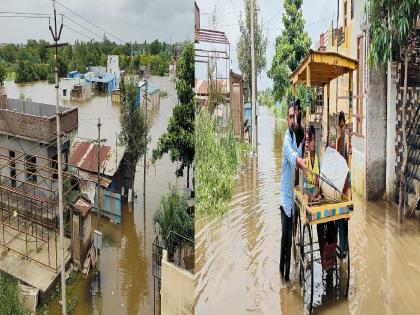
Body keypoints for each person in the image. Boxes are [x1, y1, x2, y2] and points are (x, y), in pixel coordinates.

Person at [280, 103, 307, 282]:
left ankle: (285, 275)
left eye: (294, 117)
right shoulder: (285, 140)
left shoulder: (294, 138)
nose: (292, 120)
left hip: (293, 198)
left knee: (289, 239)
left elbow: (298, 152)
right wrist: (301, 162)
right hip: (285, 200)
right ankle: (284, 276)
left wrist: (305, 144)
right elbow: (292, 156)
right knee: (286, 240)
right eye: (290, 117)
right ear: (287, 119)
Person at [336, 111, 350, 258]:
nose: (342, 128)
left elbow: (347, 163)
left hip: (345, 185)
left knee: (345, 217)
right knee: (340, 217)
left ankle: (344, 245)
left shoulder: (346, 140)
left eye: (343, 126)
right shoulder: (339, 141)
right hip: (339, 184)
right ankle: (343, 245)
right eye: (340, 126)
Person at [306, 125, 320, 199]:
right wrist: (311, 197)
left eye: (313, 140)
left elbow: (317, 186)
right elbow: (304, 186)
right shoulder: (305, 158)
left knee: (319, 196)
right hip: (306, 191)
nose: (312, 143)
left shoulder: (316, 158)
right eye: (310, 140)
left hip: (314, 191)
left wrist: (314, 196)